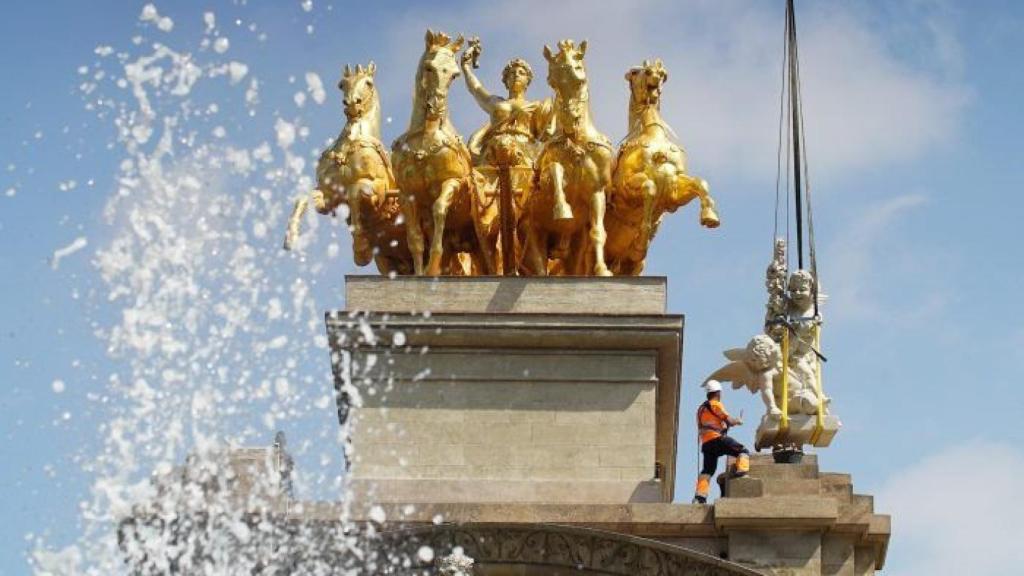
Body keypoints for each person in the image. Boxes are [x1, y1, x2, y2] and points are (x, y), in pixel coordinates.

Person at [693, 379, 751, 504]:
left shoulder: (700, 410)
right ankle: (742, 472)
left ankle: (700, 496)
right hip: (717, 439)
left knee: (707, 471)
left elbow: (710, 424)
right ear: (718, 393)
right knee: (743, 451)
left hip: (707, 444)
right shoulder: (716, 404)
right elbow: (729, 420)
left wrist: (724, 426)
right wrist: (738, 421)